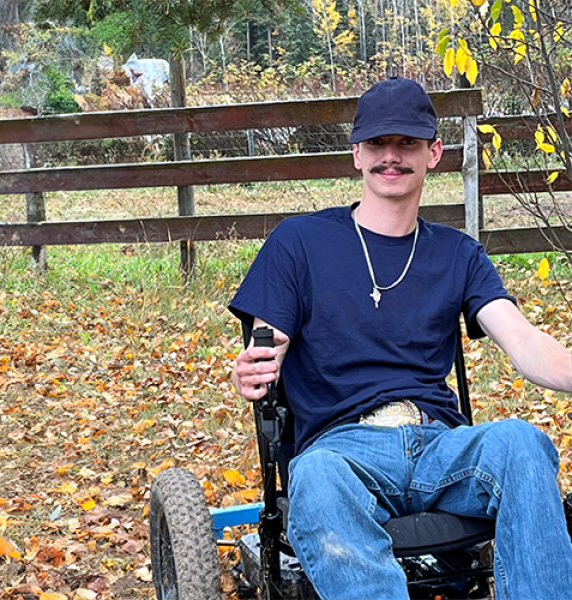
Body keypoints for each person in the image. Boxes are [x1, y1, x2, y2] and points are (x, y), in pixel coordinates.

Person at [228, 76, 572, 598]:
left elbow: (522, 340)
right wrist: (254, 363)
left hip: (440, 444)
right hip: (344, 451)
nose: (392, 156)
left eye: (408, 143)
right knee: (315, 476)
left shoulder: (459, 254)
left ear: (434, 153)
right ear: (356, 154)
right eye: (378, 144)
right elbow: (267, 338)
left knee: (521, 443)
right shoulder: (300, 241)